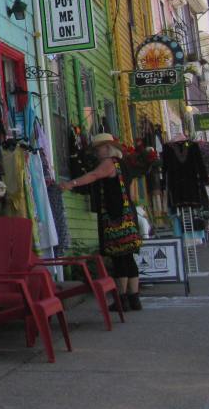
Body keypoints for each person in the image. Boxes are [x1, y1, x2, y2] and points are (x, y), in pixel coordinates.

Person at [60, 133, 144, 310]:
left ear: (107, 148)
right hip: (127, 214)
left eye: (98, 149)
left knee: (119, 257)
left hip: (115, 217)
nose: (96, 152)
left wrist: (71, 183)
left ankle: (122, 300)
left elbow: (94, 175)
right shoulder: (123, 164)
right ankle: (134, 298)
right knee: (128, 257)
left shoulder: (109, 163)